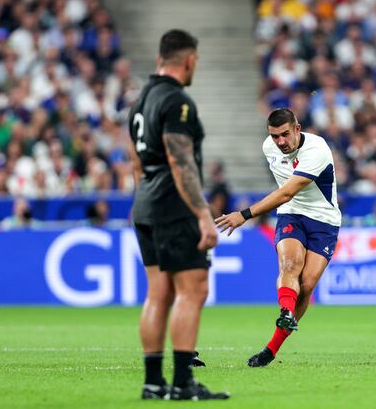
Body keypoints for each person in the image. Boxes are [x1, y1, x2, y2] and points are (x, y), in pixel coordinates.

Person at [128, 29, 229, 400]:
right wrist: (203, 214)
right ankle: (184, 382)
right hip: (174, 207)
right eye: (196, 62)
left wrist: (140, 201)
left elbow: (136, 161)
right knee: (193, 289)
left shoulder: (141, 101)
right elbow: (180, 161)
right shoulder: (177, 101)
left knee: (158, 295)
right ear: (188, 60)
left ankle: (153, 382)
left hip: (146, 204)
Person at [215, 108, 341, 368]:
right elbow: (287, 200)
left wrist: (245, 214)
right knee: (289, 265)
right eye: (275, 137)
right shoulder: (268, 147)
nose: (281, 142)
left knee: (306, 286)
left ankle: (272, 348)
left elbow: (286, 192)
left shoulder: (317, 149)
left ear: (298, 129)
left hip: (324, 220)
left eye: (285, 134)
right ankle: (285, 312)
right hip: (291, 214)